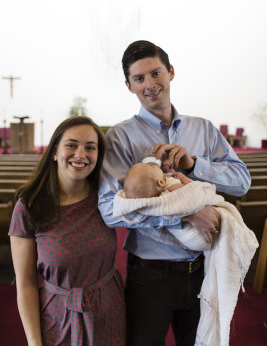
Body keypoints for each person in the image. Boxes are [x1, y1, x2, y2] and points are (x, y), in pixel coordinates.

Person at [98, 40, 251, 346]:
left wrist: (194, 164)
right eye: (139, 79)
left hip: (204, 269)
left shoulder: (204, 129)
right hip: (150, 275)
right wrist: (186, 215)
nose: (150, 84)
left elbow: (241, 181)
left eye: (156, 73)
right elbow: (109, 210)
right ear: (129, 86)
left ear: (170, 72)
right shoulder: (121, 136)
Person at [9, 116, 126, 346]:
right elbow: (26, 283)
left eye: (90, 147)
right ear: (55, 152)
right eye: (71, 145)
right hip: (57, 315)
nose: (80, 154)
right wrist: (34, 342)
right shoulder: (29, 206)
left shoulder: (106, 198)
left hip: (108, 311)